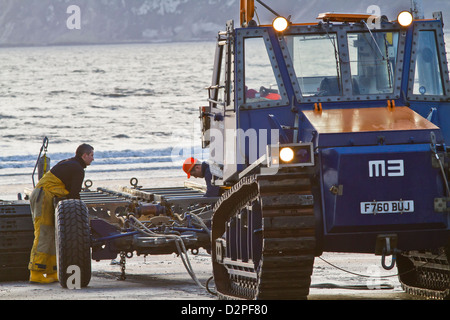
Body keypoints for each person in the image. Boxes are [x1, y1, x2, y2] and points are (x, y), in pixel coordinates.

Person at [28, 143, 94, 284]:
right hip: (44, 196)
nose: (93, 159)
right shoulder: (77, 169)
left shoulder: (71, 164)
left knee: (53, 234)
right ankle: (36, 273)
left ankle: (51, 271)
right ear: (84, 155)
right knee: (44, 234)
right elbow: (74, 196)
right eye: (91, 155)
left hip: (46, 196)